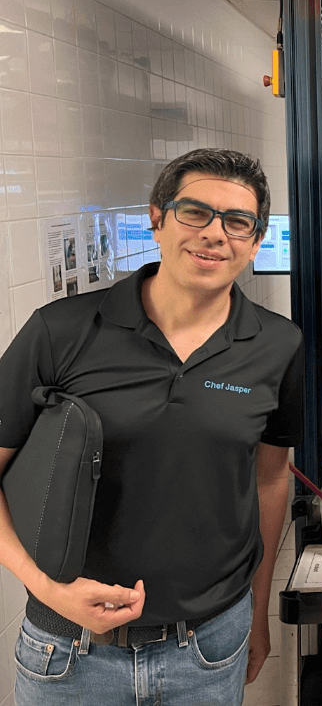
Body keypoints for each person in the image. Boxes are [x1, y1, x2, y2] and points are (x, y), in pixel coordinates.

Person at [0, 148, 304, 704]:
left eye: (237, 222)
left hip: (208, 649)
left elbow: (269, 479)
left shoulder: (278, 345)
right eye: (195, 212)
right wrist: (47, 590)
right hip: (69, 654)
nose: (215, 234)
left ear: (256, 241)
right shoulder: (61, 332)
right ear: (157, 219)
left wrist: (258, 612)